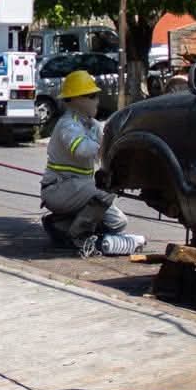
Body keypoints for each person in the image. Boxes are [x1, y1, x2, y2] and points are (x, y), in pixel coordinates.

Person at [40, 70, 143, 256]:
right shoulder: (67, 125)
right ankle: (78, 237)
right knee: (106, 190)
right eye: (93, 96)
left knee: (119, 223)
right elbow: (83, 150)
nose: (97, 100)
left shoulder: (91, 124)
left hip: (77, 189)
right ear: (77, 99)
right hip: (59, 189)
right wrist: (108, 143)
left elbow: (103, 149)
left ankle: (60, 225)